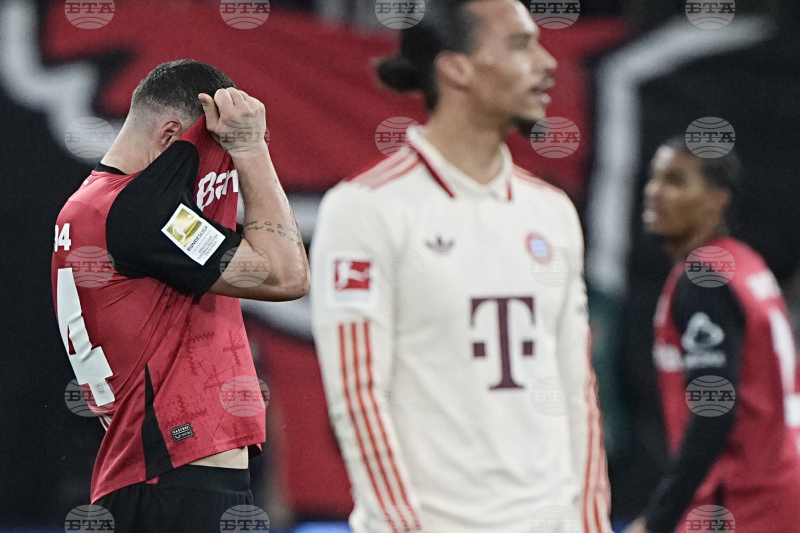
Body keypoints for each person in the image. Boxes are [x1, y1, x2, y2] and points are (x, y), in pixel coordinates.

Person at [310, 1, 611, 532]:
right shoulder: (366, 210)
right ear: (457, 68)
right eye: (520, 44)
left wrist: (590, 523)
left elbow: (577, 389)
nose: (547, 62)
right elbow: (359, 397)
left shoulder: (552, 212)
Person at [51, 60, 309, 532]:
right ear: (171, 136)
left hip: (155, 478)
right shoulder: (143, 212)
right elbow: (285, 275)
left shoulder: (95, 203)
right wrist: (251, 148)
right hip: (175, 482)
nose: (221, 167)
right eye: (215, 151)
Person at [623, 138, 800, 533]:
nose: (655, 191)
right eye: (654, 178)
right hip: (779, 484)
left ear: (717, 201)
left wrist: (656, 520)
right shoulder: (745, 263)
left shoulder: (703, 279)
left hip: (743, 501)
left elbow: (713, 411)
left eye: (675, 181)